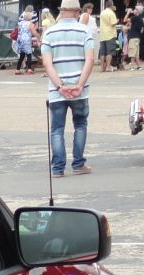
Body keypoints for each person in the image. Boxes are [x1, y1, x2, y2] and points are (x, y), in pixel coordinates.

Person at [43, 0, 97, 177]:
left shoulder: (49, 33)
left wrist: (60, 86)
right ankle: (78, 163)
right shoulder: (85, 31)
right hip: (79, 89)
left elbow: (47, 64)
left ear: (62, 11)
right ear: (77, 11)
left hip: (57, 90)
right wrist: (79, 84)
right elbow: (90, 60)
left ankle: (58, 168)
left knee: (57, 129)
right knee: (80, 125)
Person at [15, 8, 40, 73]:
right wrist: (39, 36)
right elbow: (34, 32)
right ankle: (29, 69)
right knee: (29, 54)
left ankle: (17, 70)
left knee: (22, 55)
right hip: (26, 39)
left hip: (20, 40)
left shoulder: (20, 23)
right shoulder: (30, 23)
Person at [99, 1, 120, 70]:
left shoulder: (102, 12)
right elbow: (113, 23)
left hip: (102, 35)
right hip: (110, 34)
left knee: (102, 53)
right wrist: (117, 20)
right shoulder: (111, 13)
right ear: (111, 5)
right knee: (110, 52)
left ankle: (102, 67)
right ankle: (108, 67)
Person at [126, 3, 144, 68]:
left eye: (135, 9)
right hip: (137, 37)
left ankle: (132, 66)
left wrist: (128, 13)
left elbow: (125, 20)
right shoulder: (141, 19)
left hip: (132, 37)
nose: (133, 10)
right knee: (136, 52)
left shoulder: (134, 18)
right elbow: (142, 30)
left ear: (138, 11)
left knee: (132, 52)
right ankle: (138, 66)